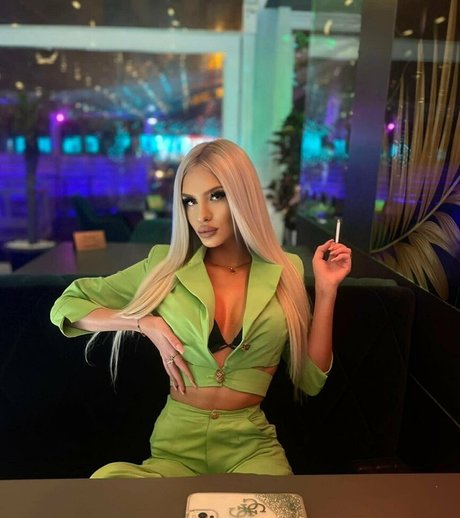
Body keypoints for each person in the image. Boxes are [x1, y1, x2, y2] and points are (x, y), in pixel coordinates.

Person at [50, 139, 351, 478]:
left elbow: (310, 380)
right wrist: (143, 323)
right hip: (176, 451)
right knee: (108, 483)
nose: (201, 215)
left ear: (243, 196)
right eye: (189, 201)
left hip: (250, 449)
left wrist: (326, 291)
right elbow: (67, 305)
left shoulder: (286, 270)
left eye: (216, 196)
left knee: (276, 506)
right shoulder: (164, 267)